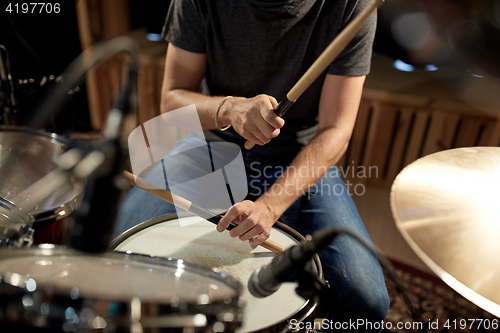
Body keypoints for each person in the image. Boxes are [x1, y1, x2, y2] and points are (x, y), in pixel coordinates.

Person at [116, 0, 389, 330]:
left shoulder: (353, 6)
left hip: (299, 155)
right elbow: (172, 97)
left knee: (367, 301)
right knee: (117, 259)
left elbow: (336, 130)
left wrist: (270, 207)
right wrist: (229, 109)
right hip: (209, 143)